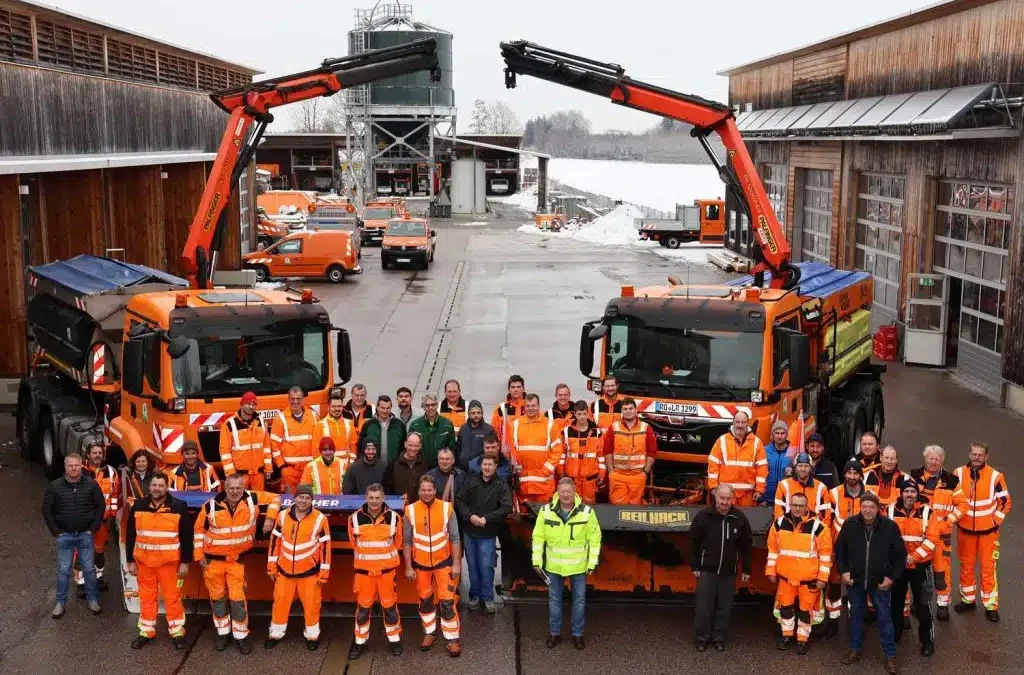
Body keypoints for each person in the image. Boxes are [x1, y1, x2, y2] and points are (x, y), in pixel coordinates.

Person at [194, 474, 266, 654]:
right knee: (217, 599)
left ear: (244, 489)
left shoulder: (252, 500)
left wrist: (271, 518)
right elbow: (198, 531)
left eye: (238, 488)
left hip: (236, 562)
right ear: (225, 488)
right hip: (212, 562)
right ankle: (223, 632)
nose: (235, 491)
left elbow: (276, 499)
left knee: (238, 600)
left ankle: (241, 636)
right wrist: (198, 555)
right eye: (231, 488)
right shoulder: (210, 506)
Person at [835, 491, 905, 673]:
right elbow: (840, 550)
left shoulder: (890, 527)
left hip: (880, 583)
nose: (868, 510)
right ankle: (855, 650)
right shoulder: (850, 524)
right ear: (860, 507)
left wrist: (892, 578)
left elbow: (900, 555)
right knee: (856, 616)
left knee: (884, 618)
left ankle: (890, 656)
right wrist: (843, 571)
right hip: (856, 582)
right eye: (864, 506)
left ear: (878, 509)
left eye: (872, 506)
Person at [532, 477, 601, 650]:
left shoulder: (587, 512)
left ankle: (578, 635)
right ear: (557, 492)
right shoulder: (546, 511)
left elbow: (595, 539)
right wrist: (536, 560)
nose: (565, 495)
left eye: (569, 491)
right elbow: (538, 537)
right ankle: (554, 633)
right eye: (562, 491)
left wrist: (592, 562)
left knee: (578, 601)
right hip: (554, 566)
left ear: (574, 492)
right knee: (554, 600)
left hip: (578, 566)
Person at [126, 472, 193, 649]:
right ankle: (146, 631)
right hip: (144, 563)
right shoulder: (138, 506)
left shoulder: (179, 506)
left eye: (160, 485)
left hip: (169, 565)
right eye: (154, 485)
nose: (157, 488)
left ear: (166, 487)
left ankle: (177, 631)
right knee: (147, 598)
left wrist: (186, 562)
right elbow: (130, 535)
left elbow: (187, 537)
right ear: (150, 487)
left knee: (172, 597)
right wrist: (129, 560)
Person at [266, 484, 331, 651]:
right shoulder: (282, 516)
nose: (304, 500)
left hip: (310, 573)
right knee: (280, 603)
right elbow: (275, 543)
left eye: (307, 498)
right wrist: (272, 567)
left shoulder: (320, 519)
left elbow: (325, 547)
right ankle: (275, 634)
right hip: (284, 571)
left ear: (311, 501)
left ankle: (312, 636)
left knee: (312, 605)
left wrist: (324, 573)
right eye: (301, 497)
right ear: (294, 498)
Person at [952, 441, 1011, 622]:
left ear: (986, 456)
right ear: (969, 455)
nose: (977, 458)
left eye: (980, 455)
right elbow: (950, 499)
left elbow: (1005, 502)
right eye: (974, 454)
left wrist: (996, 520)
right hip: (965, 530)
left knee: (988, 569)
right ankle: (968, 600)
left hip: (988, 532)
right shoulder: (958, 473)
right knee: (966, 567)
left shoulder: (995, 476)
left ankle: (991, 605)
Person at [404, 475, 462, 657]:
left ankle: (452, 639)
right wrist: (408, 567)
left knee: (447, 602)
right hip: (420, 566)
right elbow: (406, 541)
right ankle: (429, 634)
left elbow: (455, 538)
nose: (427, 493)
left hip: (443, 564)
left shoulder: (447, 508)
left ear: (435, 490)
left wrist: (456, 564)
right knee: (425, 601)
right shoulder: (410, 511)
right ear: (419, 491)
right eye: (423, 490)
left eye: (430, 490)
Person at [42, 452, 106, 618]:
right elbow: (47, 510)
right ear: (65, 467)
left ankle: (93, 600)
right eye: (70, 465)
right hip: (65, 536)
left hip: (85, 535)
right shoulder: (55, 486)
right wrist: (56, 531)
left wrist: (93, 528)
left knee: (89, 569)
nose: (74, 468)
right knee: (63, 571)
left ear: (81, 466)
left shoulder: (91, 484)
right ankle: (60, 603)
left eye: (76, 465)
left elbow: (101, 506)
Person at [766, 492, 831, 654]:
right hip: (785, 579)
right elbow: (773, 550)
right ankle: (787, 635)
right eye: (794, 505)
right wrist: (770, 571)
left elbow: (825, 556)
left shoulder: (819, 527)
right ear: (789, 505)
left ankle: (803, 639)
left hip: (808, 581)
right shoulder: (779, 524)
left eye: (801, 505)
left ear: (807, 506)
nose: (797, 508)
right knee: (785, 609)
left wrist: (823, 578)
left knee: (805, 611)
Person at [691, 484, 753, 652]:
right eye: (722, 498)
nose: (725, 502)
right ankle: (702, 639)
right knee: (704, 608)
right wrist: (695, 565)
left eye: (728, 499)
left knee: (724, 608)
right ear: (715, 497)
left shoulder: (739, 518)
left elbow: (746, 546)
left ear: (733, 499)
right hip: (706, 570)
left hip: (729, 572)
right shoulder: (703, 516)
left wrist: (746, 569)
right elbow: (694, 542)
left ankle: (719, 638)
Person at [348, 483, 404, 660]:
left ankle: (394, 640)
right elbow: (354, 544)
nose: (374, 501)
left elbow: (398, 543)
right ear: (366, 498)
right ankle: (359, 642)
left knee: (390, 609)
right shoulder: (354, 519)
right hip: (364, 575)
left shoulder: (395, 518)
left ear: (383, 498)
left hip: (387, 573)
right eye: (371, 498)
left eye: (377, 498)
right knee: (363, 610)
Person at [887, 482, 938, 657]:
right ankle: (896, 635)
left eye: (913, 491)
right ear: (901, 494)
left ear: (917, 494)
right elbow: (886, 537)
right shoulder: (889, 511)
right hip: (898, 567)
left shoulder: (928, 513)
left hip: (920, 567)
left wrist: (912, 557)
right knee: (896, 604)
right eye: (906, 491)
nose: (910, 495)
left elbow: (931, 540)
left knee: (923, 606)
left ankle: (927, 641)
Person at [457, 453, 513, 612]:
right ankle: (474, 596)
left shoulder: (501, 485)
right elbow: (460, 500)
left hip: (487, 533)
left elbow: (506, 506)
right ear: (481, 465)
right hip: (469, 531)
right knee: (473, 567)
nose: (487, 467)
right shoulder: (471, 481)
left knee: (486, 566)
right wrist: (470, 516)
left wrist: (486, 519)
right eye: (485, 464)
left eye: (490, 465)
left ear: (496, 466)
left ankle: (487, 598)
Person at [910, 444, 960, 619]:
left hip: (941, 535)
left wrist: (947, 522)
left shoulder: (952, 480)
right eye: (931, 458)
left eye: (937, 458)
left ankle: (942, 605)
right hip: (919, 535)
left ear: (942, 460)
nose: (934, 461)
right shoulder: (914, 476)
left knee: (941, 572)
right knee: (918, 573)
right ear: (925, 459)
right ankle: (918, 602)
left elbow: (962, 506)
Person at [825, 459, 865, 630]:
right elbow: (826, 522)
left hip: (860, 548)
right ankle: (833, 619)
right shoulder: (833, 493)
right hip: (837, 547)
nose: (852, 476)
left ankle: (854, 618)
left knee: (856, 584)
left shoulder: (869, 495)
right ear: (844, 475)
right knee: (834, 583)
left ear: (861, 476)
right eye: (848, 473)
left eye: (855, 473)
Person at [76, 441, 119, 596]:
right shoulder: (80, 472)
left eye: (100, 453)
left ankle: (98, 578)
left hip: (102, 522)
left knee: (99, 552)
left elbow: (114, 496)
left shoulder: (112, 472)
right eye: (94, 453)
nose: (98, 455)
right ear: (88, 454)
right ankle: (81, 583)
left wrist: (112, 516)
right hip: (84, 521)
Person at [603, 398, 656, 505]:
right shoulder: (614, 427)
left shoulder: (646, 428)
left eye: (631, 408)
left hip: (637, 476)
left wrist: (645, 471)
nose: (628, 411)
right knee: (617, 508)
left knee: (634, 510)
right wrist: (611, 471)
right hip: (618, 475)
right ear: (621, 412)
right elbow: (607, 450)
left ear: (636, 410)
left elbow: (652, 452)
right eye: (625, 409)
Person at [708, 411, 768, 506]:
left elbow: (762, 468)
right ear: (733, 422)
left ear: (748, 424)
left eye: (743, 422)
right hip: (726, 495)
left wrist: (759, 489)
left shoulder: (757, 443)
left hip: (748, 495)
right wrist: (713, 487)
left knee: (746, 520)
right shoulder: (721, 441)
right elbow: (713, 466)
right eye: (737, 422)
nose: (740, 425)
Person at [512, 393, 562, 503]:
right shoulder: (515, 425)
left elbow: (557, 451)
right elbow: (510, 450)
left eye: (533, 405)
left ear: (539, 406)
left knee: (544, 516)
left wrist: (546, 470)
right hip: (523, 483)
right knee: (524, 518)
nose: (531, 408)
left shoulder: (550, 425)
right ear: (524, 407)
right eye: (528, 406)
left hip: (544, 484)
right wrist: (515, 467)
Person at [270, 386, 319, 493]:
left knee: (311, 499)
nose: (295, 401)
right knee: (290, 502)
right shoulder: (280, 419)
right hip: (290, 471)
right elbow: (274, 445)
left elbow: (319, 440)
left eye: (299, 398)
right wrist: (282, 466)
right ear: (288, 400)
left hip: (310, 468)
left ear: (303, 400)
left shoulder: (314, 416)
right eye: (292, 399)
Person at [220, 391, 272, 490]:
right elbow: (225, 452)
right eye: (248, 404)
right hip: (240, 476)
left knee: (258, 502)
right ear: (242, 404)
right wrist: (231, 475)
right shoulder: (229, 424)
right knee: (241, 503)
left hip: (258, 474)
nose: (251, 407)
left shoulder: (261, 422)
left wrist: (268, 469)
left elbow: (266, 447)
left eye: (254, 404)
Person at [561, 400, 605, 504]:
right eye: (579, 414)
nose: (582, 417)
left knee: (589, 508)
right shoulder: (567, 431)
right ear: (575, 414)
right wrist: (561, 472)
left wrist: (602, 473)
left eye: (584, 414)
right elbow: (562, 454)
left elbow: (601, 455)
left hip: (590, 480)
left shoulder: (596, 432)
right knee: (571, 506)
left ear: (588, 414)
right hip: (572, 479)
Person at [773, 452, 831, 523]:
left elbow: (827, 517)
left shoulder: (821, 488)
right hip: (790, 528)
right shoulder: (783, 485)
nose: (803, 469)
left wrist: (820, 532)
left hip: (813, 529)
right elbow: (778, 514)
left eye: (806, 466)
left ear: (810, 468)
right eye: (800, 466)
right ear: (795, 467)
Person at [408, 393, 456, 468]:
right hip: (420, 467)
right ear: (423, 407)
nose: (430, 407)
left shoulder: (447, 424)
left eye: (433, 405)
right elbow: (410, 448)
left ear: (437, 405)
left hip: (441, 468)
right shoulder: (415, 425)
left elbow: (451, 448)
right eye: (427, 405)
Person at [313, 392, 359, 464]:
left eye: (339, 406)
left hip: (346, 469)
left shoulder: (349, 424)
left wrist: (351, 464)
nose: (337, 409)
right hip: (328, 469)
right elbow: (316, 451)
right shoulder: (320, 425)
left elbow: (354, 447)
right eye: (333, 406)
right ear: (328, 407)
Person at [361, 395, 407, 464]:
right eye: (382, 408)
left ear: (391, 408)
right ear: (377, 407)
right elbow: (361, 447)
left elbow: (404, 447)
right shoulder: (368, 425)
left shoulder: (399, 425)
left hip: (394, 468)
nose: (385, 411)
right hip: (373, 467)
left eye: (388, 408)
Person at [384, 432, 429, 503]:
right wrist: (395, 501)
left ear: (420, 446)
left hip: (418, 508)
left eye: (416, 446)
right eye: (410, 445)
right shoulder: (393, 464)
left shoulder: (425, 464)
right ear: (405, 444)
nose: (413, 448)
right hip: (398, 507)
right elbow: (386, 488)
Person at [456, 399, 496, 470]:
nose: (476, 415)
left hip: (479, 470)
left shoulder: (489, 430)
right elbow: (458, 449)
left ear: (482, 414)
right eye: (473, 413)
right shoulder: (463, 429)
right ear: (469, 414)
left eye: (479, 413)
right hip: (463, 470)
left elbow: (493, 451)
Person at [492, 374, 527, 451]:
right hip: (507, 453)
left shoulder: (531, 407)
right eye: (513, 387)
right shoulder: (500, 409)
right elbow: (495, 432)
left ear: (523, 389)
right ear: (509, 389)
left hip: (526, 450)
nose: (516, 390)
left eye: (518, 387)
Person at [762, 420, 794, 507]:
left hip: (785, 499)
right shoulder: (764, 451)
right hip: (767, 499)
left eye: (782, 433)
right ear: (772, 435)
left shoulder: (793, 451)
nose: (779, 436)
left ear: (787, 435)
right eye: (777, 433)